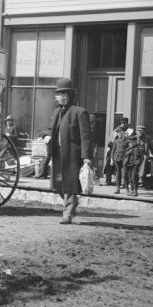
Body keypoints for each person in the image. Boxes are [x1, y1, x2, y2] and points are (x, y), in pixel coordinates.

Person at [43, 77, 92, 224]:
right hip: (57, 154)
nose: (56, 97)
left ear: (66, 95)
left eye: (58, 94)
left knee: (69, 185)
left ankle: (68, 213)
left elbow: (86, 137)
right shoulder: (56, 112)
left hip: (72, 156)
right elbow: (49, 130)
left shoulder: (79, 112)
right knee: (57, 184)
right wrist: (46, 136)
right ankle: (72, 203)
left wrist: (86, 157)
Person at [104, 117, 129, 186]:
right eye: (122, 123)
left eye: (124, 123)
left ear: (127, 123)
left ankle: (122, 183)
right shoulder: (117, 130)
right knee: (109, 164)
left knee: (122, 167)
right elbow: (110, 141)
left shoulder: (129, 130)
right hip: (113, 149)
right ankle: (108, 180)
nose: (123, 125)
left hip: (123, 151)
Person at [110, 126, 128, 194]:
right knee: (118, 174)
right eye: (118, 133)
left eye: (120, 132)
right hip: (117, 158)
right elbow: (113, 151)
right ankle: (117, 188)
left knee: (124, 174)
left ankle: (127, 189)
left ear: (123, 132)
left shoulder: (127, 141)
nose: (119, 134)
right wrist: (111, 159)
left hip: (124, 159)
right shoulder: (116, 141)